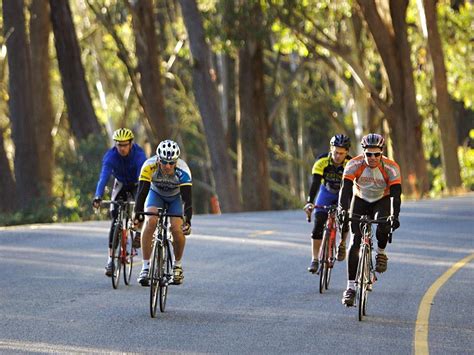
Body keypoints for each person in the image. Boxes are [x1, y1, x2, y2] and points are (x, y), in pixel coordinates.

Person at [337, 133, 401, 307]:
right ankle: (350, 288)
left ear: (382, 153)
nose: (372, 158)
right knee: (355, 241)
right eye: (369, 154)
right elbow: (346, 191)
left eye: (376, 154)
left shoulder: (391, 167)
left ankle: (380, 253)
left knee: (383, 227)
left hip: (382, 200)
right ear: (363, 152)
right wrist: (343, 210)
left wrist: (395, 216)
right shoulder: (353, 164)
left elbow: (396, 195)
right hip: (360, 199)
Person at [133, 139, 192, 287]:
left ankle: (177, 266)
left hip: (175, 198)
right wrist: (137, 214)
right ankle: (146, 267)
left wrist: (188, 221)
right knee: (150, 220)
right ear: (158, 159)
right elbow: (141, 193)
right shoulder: (148, 166)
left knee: (176, 229)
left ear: (176, 161)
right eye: (164, 162)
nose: (167, 166)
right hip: (155, 194)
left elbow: (187, 200)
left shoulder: (183, 170)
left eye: (171, 163)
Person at [92, 128, 147, 277]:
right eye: (119, 145)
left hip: (136, 184)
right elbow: (103, 178)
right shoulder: (110, 156)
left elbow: (142, 179)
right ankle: (110, 260)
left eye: (125, 145)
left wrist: (139, 206)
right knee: (115, 218)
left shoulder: (139, 155)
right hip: (121, 183)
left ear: (131, 144)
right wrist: (98, 196)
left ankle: (138, 232)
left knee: (140, 208)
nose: (122, 148)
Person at [304, 134, 352, 273]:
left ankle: (342, 243)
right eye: (336, 152)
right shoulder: (322, 161)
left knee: (345, 218)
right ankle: (315, 259)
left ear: (347, 152)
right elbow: (315, 184)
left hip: (343, 193)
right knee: (319, 222)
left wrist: (350, 207)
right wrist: (309, 203)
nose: (338, 156)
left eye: (341, 153)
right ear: (331, 149)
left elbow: (353, 188)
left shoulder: (351, 164)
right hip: (326, 192)